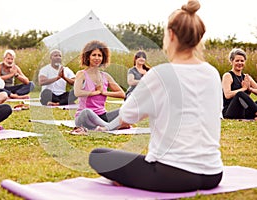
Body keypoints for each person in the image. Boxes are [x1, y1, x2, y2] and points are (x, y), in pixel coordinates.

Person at [89, 0, 223, 193]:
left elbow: (127, 116)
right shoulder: (211, 73)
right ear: (199, 36)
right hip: (213, 174)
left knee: (98, 156)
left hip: (173, 175)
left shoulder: (161, 74)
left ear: (171, 34)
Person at [73, 40, 125, 132]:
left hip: (102, 116)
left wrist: (104, 92)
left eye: (99, 55)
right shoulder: (81, 74)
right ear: (88, 57)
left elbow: (122, 94)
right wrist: (95, 92)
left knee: (126, 110)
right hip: (85, 117)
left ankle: (106, 127)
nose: (97, 58)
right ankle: (110, 126)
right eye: (94, 55)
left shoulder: (106, 76)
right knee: (87, 111)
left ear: (103, 58)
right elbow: (77, 93)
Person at [222, 48, 257, 120]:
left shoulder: (246, 77)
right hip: (230, 111)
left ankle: (254, 114)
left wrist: (250, 89)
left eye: (242, 61)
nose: (240, 63)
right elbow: (227, 95)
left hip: (244, 111)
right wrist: (243, 89)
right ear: (231, 61)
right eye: (237, 60)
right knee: (240, 94)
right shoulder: (228, 75)